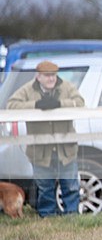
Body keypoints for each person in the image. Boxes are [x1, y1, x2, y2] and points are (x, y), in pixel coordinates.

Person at [7, 60, 85, 216]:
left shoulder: (67, 87)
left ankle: (73, 217)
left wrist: (59, 104)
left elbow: (80, 103)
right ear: (38, 77)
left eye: (53, 75)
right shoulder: (27, 90)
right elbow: (11, 105)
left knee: (70, 186)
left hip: (65, 149)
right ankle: (47, 217)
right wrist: (36, 105)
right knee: (45, 188)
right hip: (40, 150)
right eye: (47, 76)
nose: (51, 79)